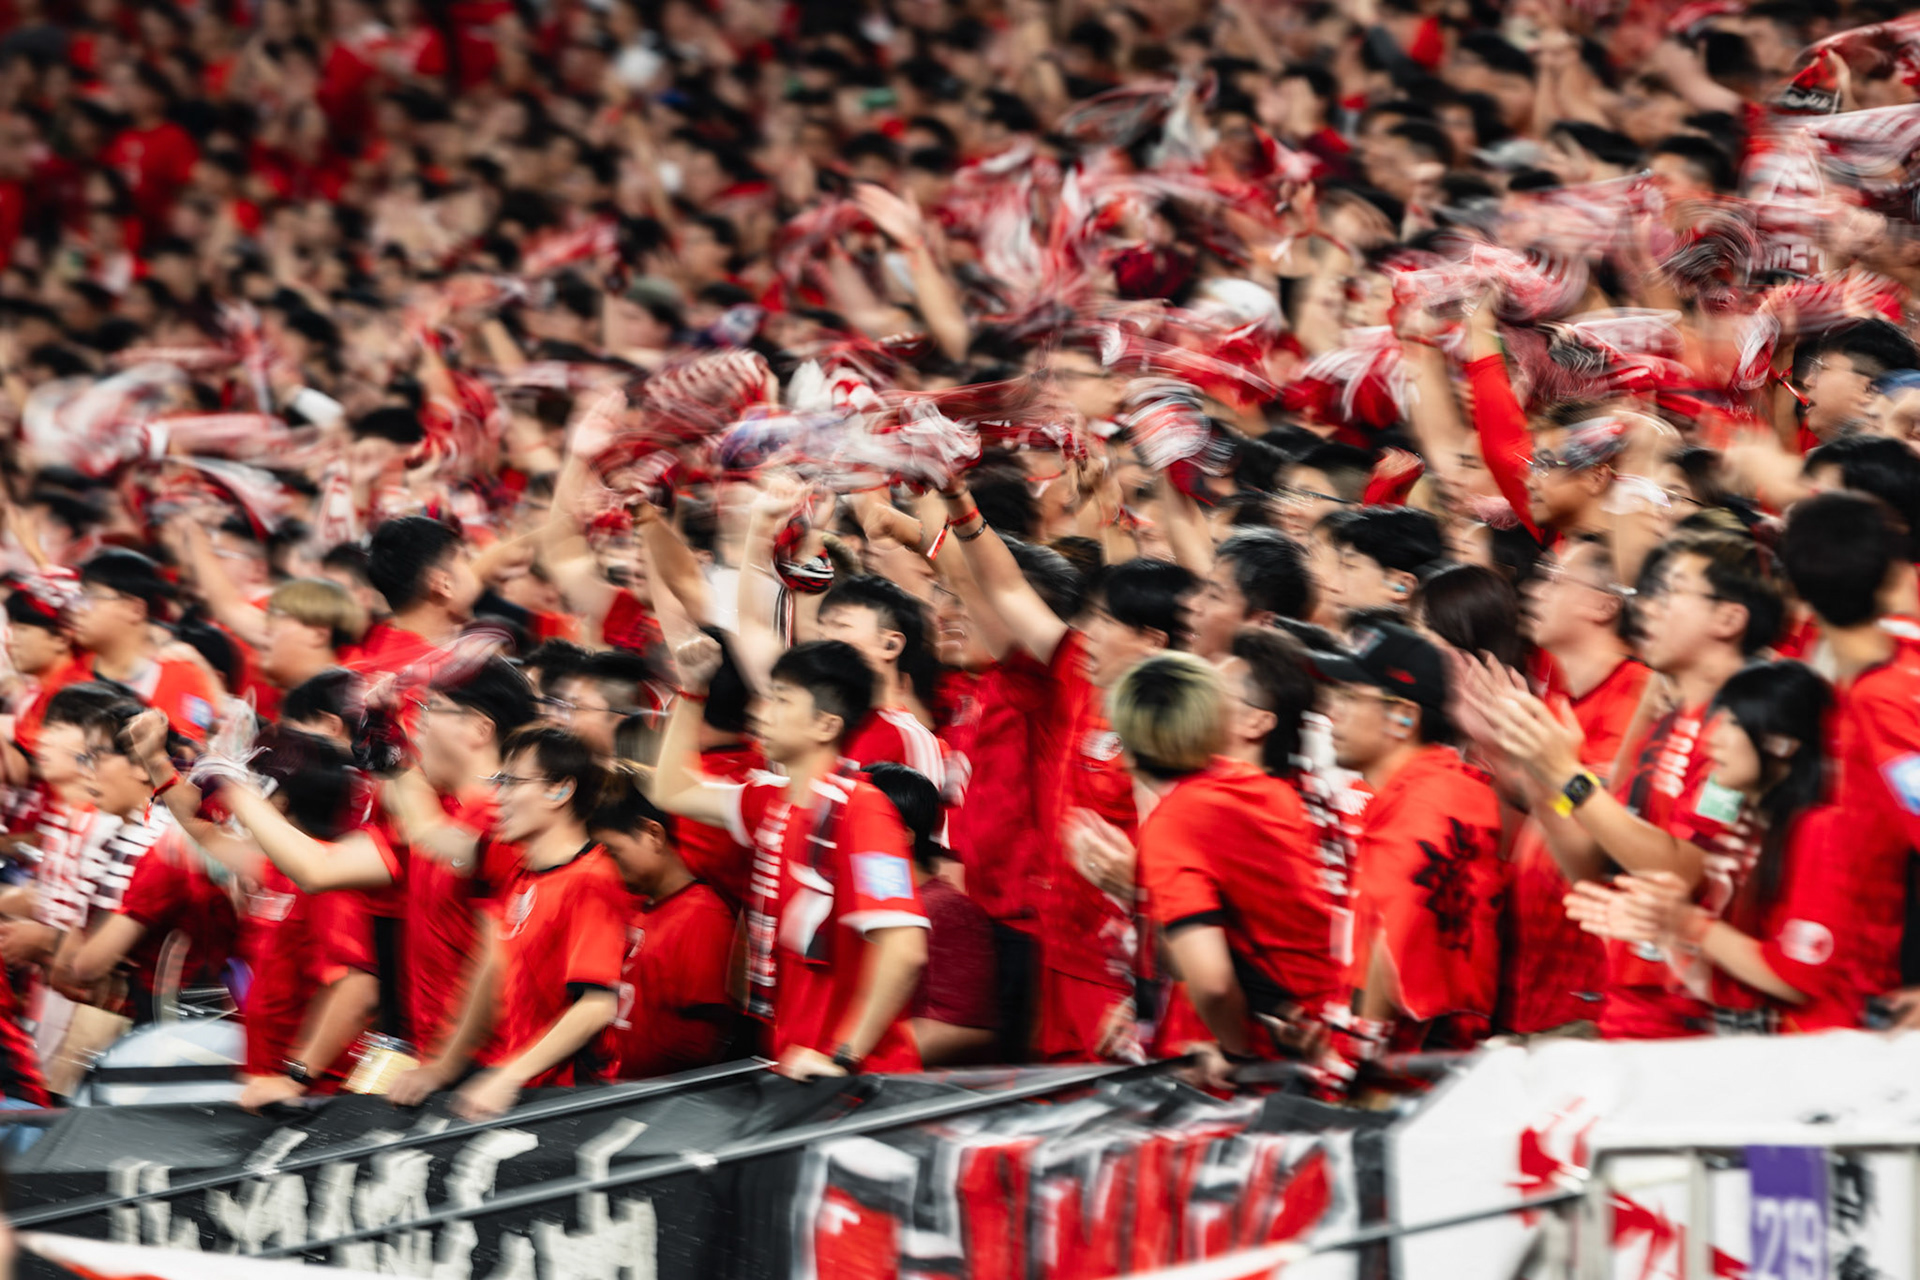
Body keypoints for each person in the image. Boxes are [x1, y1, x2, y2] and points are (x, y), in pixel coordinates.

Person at [1483, 530, 1784, 1038]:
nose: (1645, 607)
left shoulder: (1748, 731)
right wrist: (1541, 777)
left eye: (1670, 593)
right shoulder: (1668, 720)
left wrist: (1566, 775)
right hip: (1632, 1003)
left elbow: (1682, 869)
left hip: (1698, 1023)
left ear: (1729, 619)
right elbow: (1593, 868)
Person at [652, 637, 929, 1077]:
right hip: (794, 1063)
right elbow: (673, 790)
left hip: (855, 1078)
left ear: (825, 725)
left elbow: (905, 948)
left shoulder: (864, 810)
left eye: (781, 700)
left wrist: (844, 1055)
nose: (761, 713)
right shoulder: (770, 802)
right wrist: (690, 693)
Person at [1565, 662, 1880, 1032]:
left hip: (1823, 1058)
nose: (1711, 737)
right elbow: (1726, 987)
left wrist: (1686, 923)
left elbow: (1796, 978)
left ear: (1783, 743)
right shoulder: (1744, 826)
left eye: (1733, 722)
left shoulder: (1822, 830)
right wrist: (1664, 930)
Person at [1106, 649, 1341, 1085]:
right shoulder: (1262, 787)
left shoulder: (1176, 822)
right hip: (1327, 1019)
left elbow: (1211, 982)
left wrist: (1237, 1055)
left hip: (1288, 1053)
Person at [391, 726, 630, 1118]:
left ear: (559, 791)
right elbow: (493, 967)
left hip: (567, 1101)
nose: (497, 797)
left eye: (511, 782)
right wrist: (443, 1067)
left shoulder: (591, 880)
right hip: (522, 1090)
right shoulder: (523, 871)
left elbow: (596, 1006)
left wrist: (509, 1077)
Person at [1316, 621, 1504, 1054]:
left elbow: (1398, 929)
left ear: (1404, 717)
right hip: (1408, 1060)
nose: (1331, 713)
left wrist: (1352, 1049)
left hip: (1418, 1072)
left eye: (1348, 697)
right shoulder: (1417, 793)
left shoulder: (1433, 799)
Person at [590, 771, 738, 1080]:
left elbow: (704, 1039)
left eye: (613, 852)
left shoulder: (702, 915)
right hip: (613, 1087)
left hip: (658, 1097)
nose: (609, 866)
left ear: (653, 834)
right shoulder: (635, 904)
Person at [866, 761, 998, 1066]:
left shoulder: (950, 912)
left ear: (904, 835)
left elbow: (962, 1029)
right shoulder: (860, 901)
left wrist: (852, 1054)